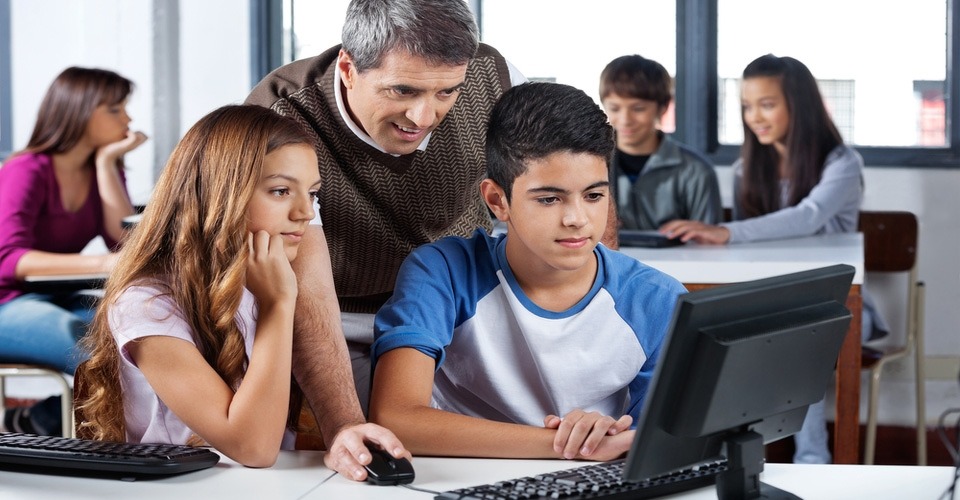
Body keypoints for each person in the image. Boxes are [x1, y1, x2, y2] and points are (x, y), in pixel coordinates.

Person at [246, 0, 596, 448]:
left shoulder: (494, 75)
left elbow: (582, 175)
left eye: (446, 92)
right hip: (348, 322)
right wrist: (347, 431)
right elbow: (307, 290)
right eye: (402, 91)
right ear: (349, 69)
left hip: (466, 308)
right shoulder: (280, 118)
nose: (424, 118)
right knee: (390, 446)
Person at [75, 105, 409, 473]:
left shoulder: (258, 284)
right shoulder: (147, 305)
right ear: (219, 195)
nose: (304, 212)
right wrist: (279, 304)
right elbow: (254, 448)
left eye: (312, 194)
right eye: (281, 191)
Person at [367, 82, 686, 459]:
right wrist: (567, 444)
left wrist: (607, 444)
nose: (577, 219)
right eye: (549, 199)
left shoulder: (657, 299)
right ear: (498, 201)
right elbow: (395, 417)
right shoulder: (443, 272)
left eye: (594, 195)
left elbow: (660, 441)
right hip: (462, 484)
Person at [660, 54, 876, 464]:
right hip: (780, 302)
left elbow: (808, 218)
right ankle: (714, 461)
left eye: (767, 104)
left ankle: (813, 460)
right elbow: (751, 250)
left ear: (800, 105)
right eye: (747, 105)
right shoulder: (746, 168)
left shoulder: (842, 163)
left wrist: (726, 231)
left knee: (798, 345)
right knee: (718, 341)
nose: (754, 116)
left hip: (839, 304)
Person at [0, 67, 147, 436]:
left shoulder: (100, 170)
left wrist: (106, 164)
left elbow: (122, 241)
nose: (127, 119)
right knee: (87, 346)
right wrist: (100, 263)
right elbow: (7, 258)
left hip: (53, 295)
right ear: (79, 111)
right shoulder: (26, 169)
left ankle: (42, 417)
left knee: (138, 331)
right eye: (115, 109)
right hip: (6, 303)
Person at [599, 55, 722, 230]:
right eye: (614, 108)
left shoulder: (696, 171)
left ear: (663, 107)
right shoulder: (590, 165)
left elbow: (708, 246)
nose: (625, 120)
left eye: (638, 108)